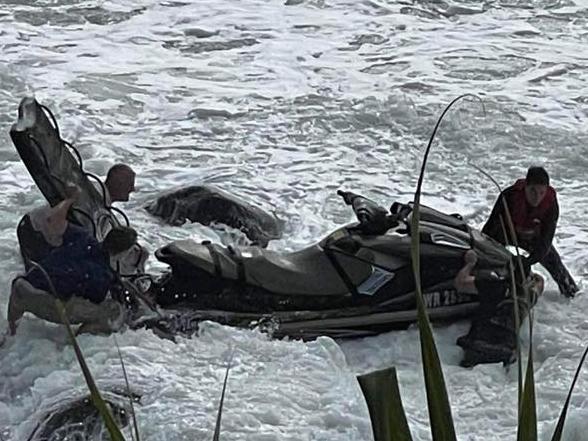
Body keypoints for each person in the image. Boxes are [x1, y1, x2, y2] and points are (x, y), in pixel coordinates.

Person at [8, 196, 138, 335]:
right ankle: (76, 342)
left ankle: (11, 333)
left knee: (24, 285)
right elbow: (89, 301)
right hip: (49, 307)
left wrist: (69, 200)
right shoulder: (103, 277)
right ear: (123, 253)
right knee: (110, 311)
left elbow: (52, 221)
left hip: (22, 289)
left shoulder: (82, 236)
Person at [481, 166, 578, 298]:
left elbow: (546, 241)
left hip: (533, 237)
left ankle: (572, 299)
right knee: (487, 255)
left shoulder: (551, 204)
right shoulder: (509, 196)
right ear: (525, 186)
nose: (537, 197)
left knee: (558, 268)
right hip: (508, 233)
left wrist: (527, 262)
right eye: (533, 191)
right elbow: (489, 230)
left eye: (541, 193)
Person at [454, 250, 544, 367]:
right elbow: (540, 282)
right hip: (506, 351)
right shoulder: (529, 295)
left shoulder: (494, 285)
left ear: (506, 271)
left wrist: (470, 264)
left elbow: (460, 284)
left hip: (479, 344)